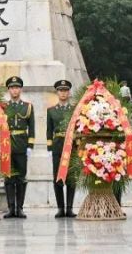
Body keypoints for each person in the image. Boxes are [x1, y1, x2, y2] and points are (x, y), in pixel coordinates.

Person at [4, 75, 34, 219]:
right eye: (12, 88)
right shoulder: (4, 106)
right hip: (7, 146)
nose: (15, 90)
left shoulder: (27, 106)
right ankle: (10, 208)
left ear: (20, 89)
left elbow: (32, 127)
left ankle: (20, 208)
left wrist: (30, 145)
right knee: (9, 178)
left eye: (17, 87)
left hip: (22, 145)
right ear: (8, 90)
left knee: (21, 178)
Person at [47, 79, 76, 218]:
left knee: (71, 178)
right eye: (60, 90)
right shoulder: (51, 111)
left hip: (71, 146)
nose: (63, 93)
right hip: (57, 146)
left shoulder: (74, 110)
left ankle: (69, 207)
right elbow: (49, 130)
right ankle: (60, 208)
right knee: (57, 178)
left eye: (65, 90)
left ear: (69, 92)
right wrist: (49, 148)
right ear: (57, 92)